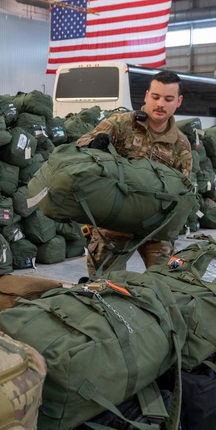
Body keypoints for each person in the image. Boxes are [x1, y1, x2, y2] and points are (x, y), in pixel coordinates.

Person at [75, 71, 192, 278]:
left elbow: (182, 189)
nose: (160, 104)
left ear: (179, 101)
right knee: (105, 285)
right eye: (155, 97)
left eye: (168, 99)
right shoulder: (121, 124)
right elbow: (80, 146)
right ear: (146, 96)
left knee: (167, 282)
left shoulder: (180, 144)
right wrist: (95, 145)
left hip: (156, 227)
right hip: (114, 222)